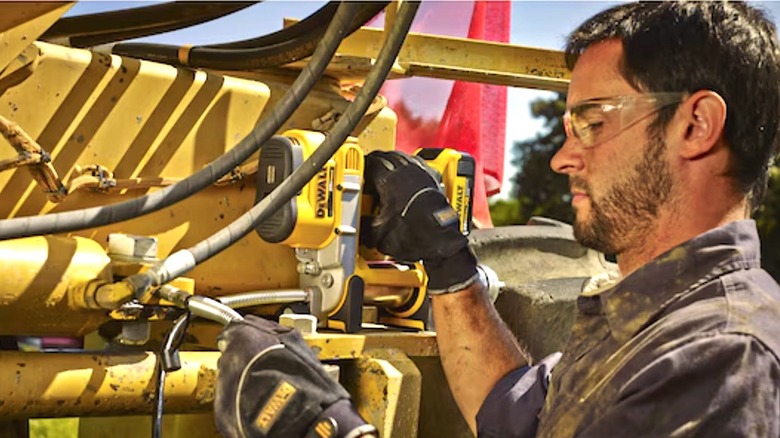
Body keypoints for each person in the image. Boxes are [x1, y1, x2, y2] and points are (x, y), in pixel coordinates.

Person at [212, 2, 780, 437]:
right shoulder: (653, 317)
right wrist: (448, 261)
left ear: (697, 125)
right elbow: (519, 412)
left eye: (593, 122)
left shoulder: (720, 355)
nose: (562, 157)